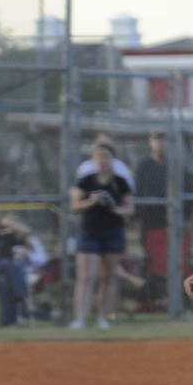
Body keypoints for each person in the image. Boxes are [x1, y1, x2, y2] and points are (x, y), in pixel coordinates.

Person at [69, 142, 135, 331]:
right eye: (98, 156)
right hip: (90, 231)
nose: (102, 160)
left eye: (106, 155)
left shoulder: (119, 181)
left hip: (113, 231)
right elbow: (74, 206)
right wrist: (91, 201)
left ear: (112, 158)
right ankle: (80, 318)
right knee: (86, 277)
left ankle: (102, 318)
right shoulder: (86, 180)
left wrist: (115, 207)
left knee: (109, 277)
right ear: (93, 159)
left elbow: (130, 209)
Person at [134, 129, 193, 311]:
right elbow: (139, 195)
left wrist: (190, 219)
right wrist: (138, 220)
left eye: (164, 139)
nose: (161, 143)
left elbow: (191, 195)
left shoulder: (179, 167)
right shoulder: (144, 166)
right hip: (152, 224)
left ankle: (184, 301)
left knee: (179, 264)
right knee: (152, 264)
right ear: (150, 142)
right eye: (157, 139)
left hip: (176, 224)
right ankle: (150, 301)